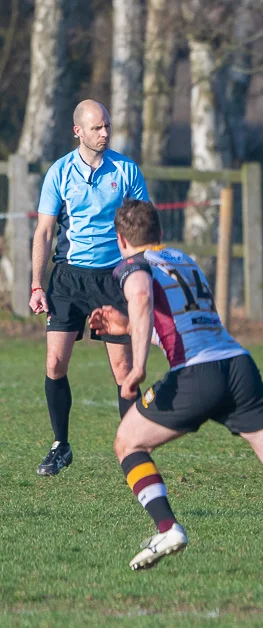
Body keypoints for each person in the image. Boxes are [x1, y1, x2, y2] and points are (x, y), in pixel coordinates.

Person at [88, 200, 263, 575]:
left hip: (197, 374)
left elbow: (141, 294)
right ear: (160, 233)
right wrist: (128, 327)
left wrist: (138, 364)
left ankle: (167, 528)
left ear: (121, 239)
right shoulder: (183, 259)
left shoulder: (131, 265)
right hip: (238, 367)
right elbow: (185, 325)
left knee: (127, 442)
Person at [28, 100, 151, 476]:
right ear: (78, 131)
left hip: (112, 278)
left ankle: (133, 449)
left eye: (108, 126)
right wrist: (36, 283)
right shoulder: (59, 173)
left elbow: (144, 227)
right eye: (97, 128)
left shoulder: (126, 170)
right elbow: (45, 231)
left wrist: (142, 274)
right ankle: (60, 445)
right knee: (54, 363)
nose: (105, 133)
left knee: (123, 370)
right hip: (67, 279)